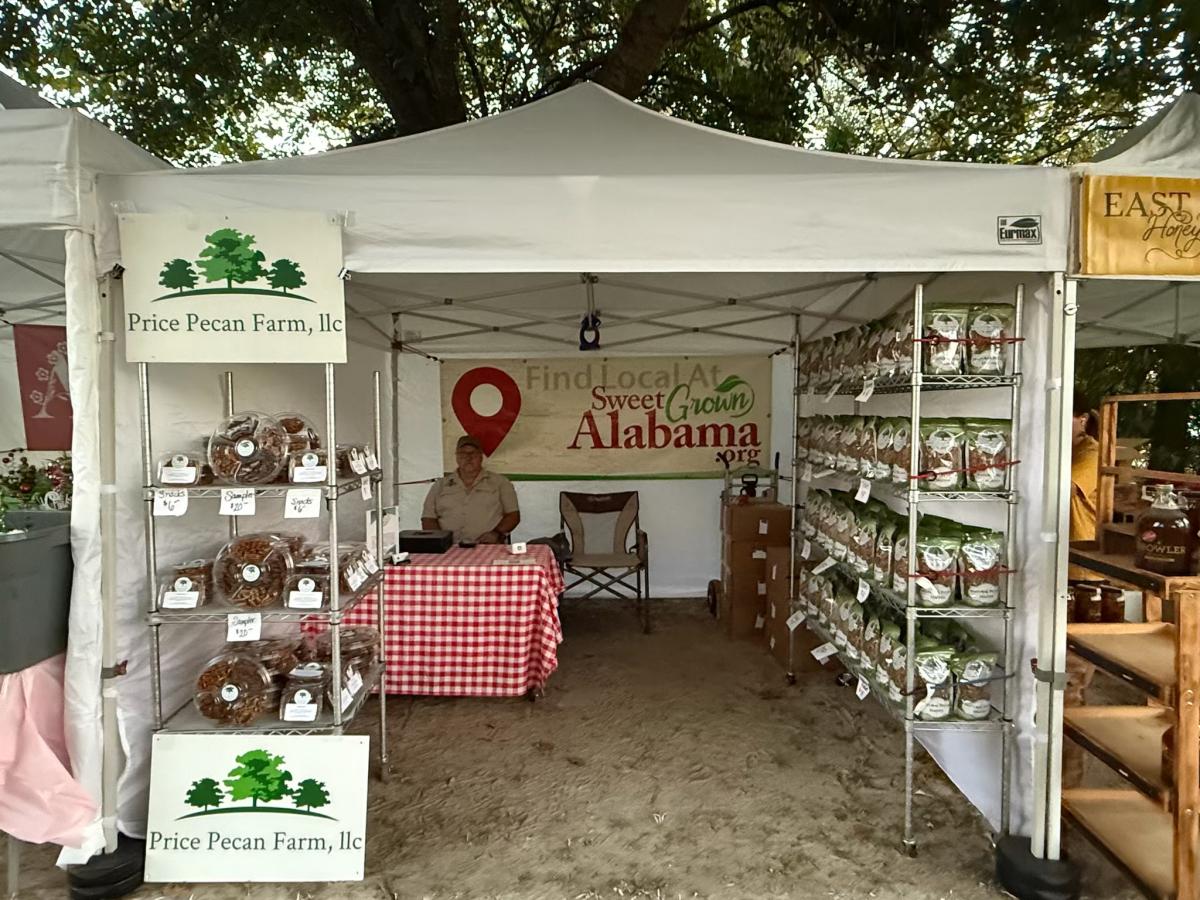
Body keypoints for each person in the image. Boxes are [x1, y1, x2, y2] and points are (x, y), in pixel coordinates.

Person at [1064, 389, 1101, 787]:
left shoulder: (1089, 454)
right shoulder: (1067, 449)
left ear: (1082, 419)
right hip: (1063, 565)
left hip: (1083, 574)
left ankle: (1067, 787)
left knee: (1072, 675)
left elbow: (1062, 485)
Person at [421, 435, 520, 544]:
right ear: (457, 457)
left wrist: (497, 533)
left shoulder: (500, 483)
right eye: (463, 454)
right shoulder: (440, 485)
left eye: (473, 453)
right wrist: (440, 541)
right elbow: (428, 518)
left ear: (481, 456)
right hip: (449, 547)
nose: (468, 458)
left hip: (487, 546)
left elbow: (513, 515)